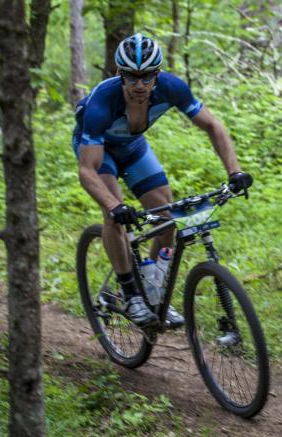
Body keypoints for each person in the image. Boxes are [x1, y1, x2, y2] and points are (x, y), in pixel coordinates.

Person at [73, 33, 252, 327]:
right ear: (120, 74)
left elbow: (212, 125)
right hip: (98, 153)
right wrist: (114, 205)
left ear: (158, 74)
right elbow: (87, 170)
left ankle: (153, 291)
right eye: (132, 77)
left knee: (166, 217)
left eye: (147, 77)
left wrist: (234, 171)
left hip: (132, 148)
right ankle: (130, 293)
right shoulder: (102, 102)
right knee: (113, 215)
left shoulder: (171, 87)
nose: (140, 85)